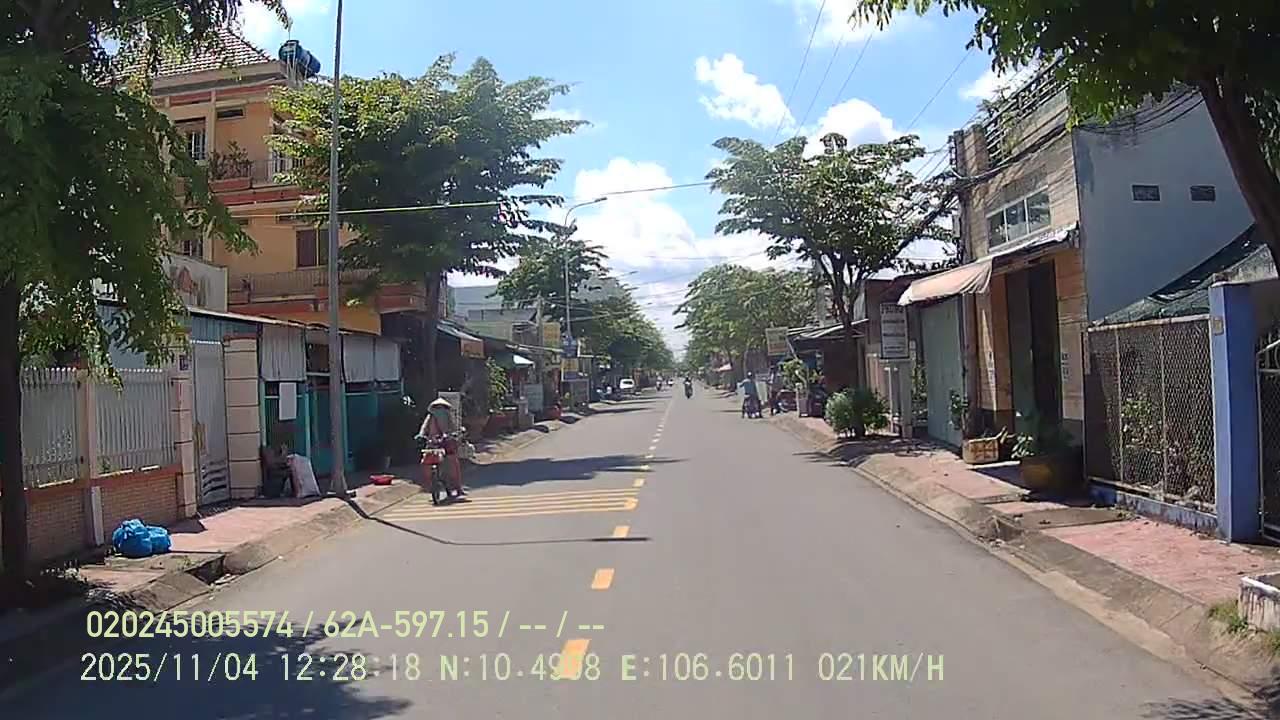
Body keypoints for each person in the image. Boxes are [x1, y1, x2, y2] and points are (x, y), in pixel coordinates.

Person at [416, 397, 464, 498]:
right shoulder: (430, 417)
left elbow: (454, 428)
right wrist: (421, 435)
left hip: (447, 442)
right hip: (432, 442)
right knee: (425, 462)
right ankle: (429, 485)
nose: (439, 410)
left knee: (453, 463)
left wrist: (454, 434)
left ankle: (458, 487)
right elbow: (424, 427)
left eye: (441, 407)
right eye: (437, 407)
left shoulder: (449, 416)